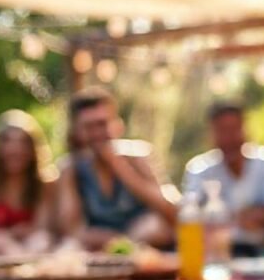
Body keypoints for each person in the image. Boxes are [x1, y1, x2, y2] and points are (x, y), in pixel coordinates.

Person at [56, 87, 176, 250]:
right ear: (77, 131)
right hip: (100, 249)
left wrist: (120, 167)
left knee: (155, 227)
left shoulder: (138, 155)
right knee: (70, 246)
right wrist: (116, 241)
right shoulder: (70, 168)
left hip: (146, 245)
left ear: (118, 124)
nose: (97, 133)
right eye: (89, 127)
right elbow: (71, 230)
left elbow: (171, 212)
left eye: (102, 124)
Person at [182, 102, 264, 249]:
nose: (228, 139)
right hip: (217, 253)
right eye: (222, 131)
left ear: (246, 130)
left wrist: (226, 219)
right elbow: (190, 215)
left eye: (233, 130)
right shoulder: (199, 169)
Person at [0, 110, 57, 256]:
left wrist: (22, 237)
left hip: (30, 250)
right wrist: (4, 238)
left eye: (23, 143)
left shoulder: (44, 183)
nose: (15, 150)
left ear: (33, 150)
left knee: (41, 241)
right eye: (7, 142)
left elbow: (42, 229)